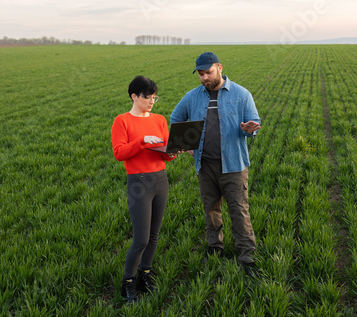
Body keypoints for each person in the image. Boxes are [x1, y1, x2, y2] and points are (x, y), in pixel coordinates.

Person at [170, 52, 261, 277]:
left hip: (233, 165)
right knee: (210, 208)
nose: (204, 78)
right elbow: (175, 118)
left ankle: (246, 256)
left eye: (208, 72)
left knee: (239, 210)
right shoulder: (192, 97)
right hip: (205, 164)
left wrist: (251, 128)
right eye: (200, 74)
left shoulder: (241, 94)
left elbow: (255, 121)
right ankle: (215, 248)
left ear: (219, 67)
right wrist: (187, 144)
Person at [111, 76, 176, 303]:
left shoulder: (159, 119)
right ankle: (128, 281)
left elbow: (166, 153)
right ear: (134, 97)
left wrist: (175, 150)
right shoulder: (122, 121)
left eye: (154, 97)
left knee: (155, 235)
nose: (151, 101)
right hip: (138, 182)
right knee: (141, 238)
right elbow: (119, 153)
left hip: (160, 179)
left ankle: (145, 274)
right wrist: (142, 141)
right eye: (147, 97)